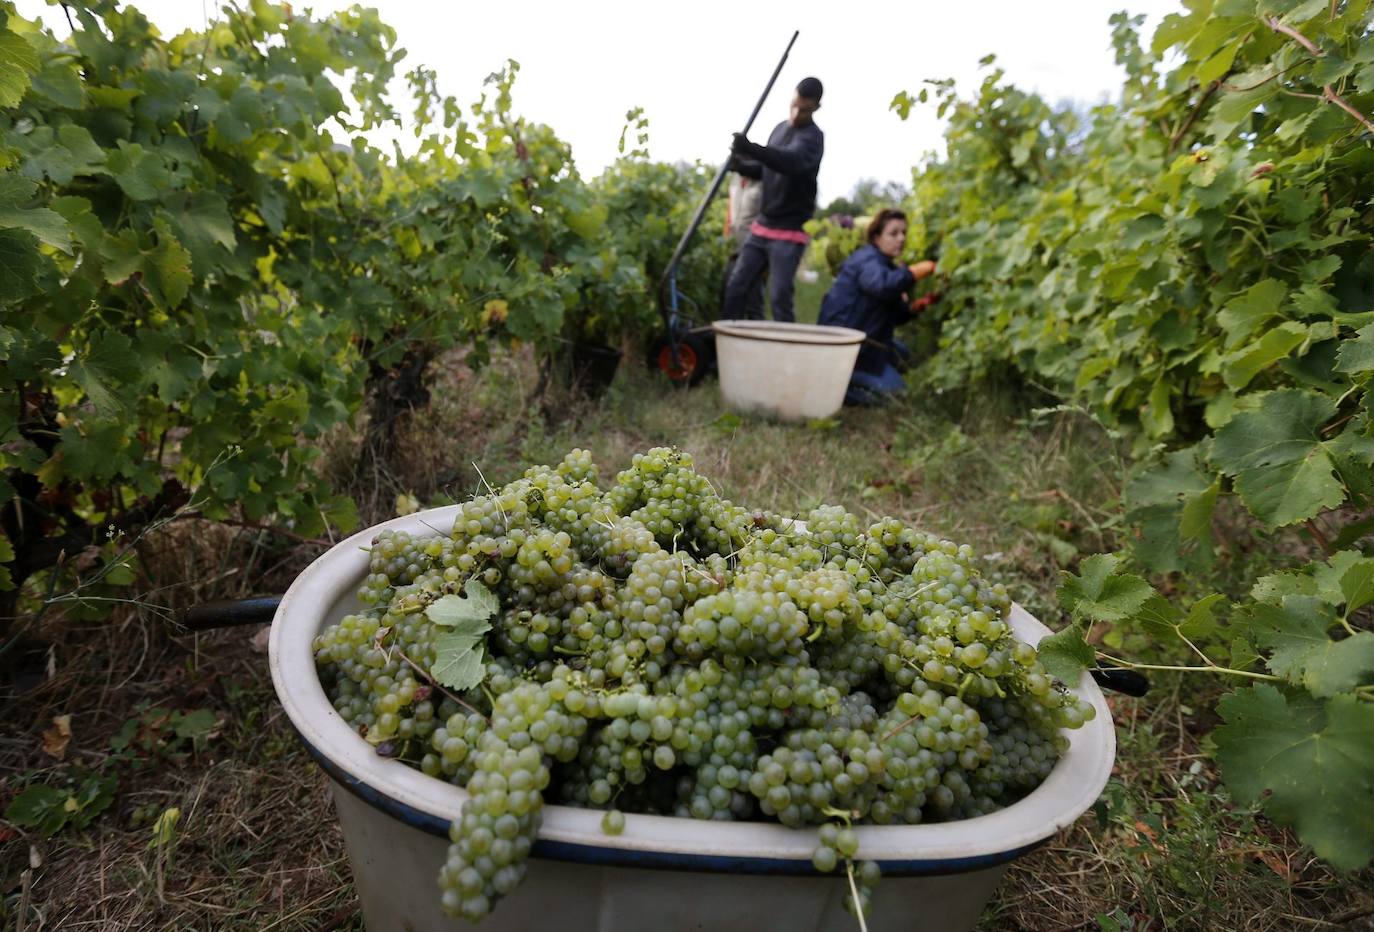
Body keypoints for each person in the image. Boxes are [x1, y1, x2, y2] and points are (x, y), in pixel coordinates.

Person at [720, 76, 825, 323]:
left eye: (804, 109)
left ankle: (785, 353)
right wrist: (740, 165)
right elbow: (765, 169)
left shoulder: (813, 138)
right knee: (737, 285)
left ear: (816, 108)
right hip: (763, 226)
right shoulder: (779, 129)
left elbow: (790, 162)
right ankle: (725, 342)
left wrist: (751, 148)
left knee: (779, 297)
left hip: (789, 232)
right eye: (794, 105)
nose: (797, 113)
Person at [817, 208, 936, 406]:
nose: (901, 238)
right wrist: (913, 272)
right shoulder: (868, 261)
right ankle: (836, 388)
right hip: (845, 346)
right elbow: (881, 286)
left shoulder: (886, 264)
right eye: (894, 233)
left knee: (903, 354)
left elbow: (893, 314)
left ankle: (851, 378)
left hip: (863, 339)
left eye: (904, 233)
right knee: (895, 395)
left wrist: (915, 307)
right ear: (876, 237)